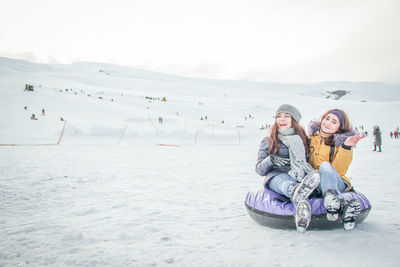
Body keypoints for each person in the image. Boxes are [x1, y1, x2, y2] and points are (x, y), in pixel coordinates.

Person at [255, 104, 320, 233]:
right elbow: (259, 170)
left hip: (298, 174)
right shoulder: (268, 140)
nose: (281, 119)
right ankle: (294, 190)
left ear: (294, 120)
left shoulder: (303, 140)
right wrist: (271, 160)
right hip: (276, 176)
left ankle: (302, 212)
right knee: (286, 183)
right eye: (278, 116)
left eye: (286, 116)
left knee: (300, 184)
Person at [308, 109, 364, 230]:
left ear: (339, 127)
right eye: (327, 118)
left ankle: (334, 200)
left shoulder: (341, 143)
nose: (328, 123)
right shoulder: (310, 138)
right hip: (315, 182)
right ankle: (343, 206)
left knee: (324, 166)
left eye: (334, 122)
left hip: (336, 181)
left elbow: (338, 171)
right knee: (315, 176)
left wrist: (346, 147)